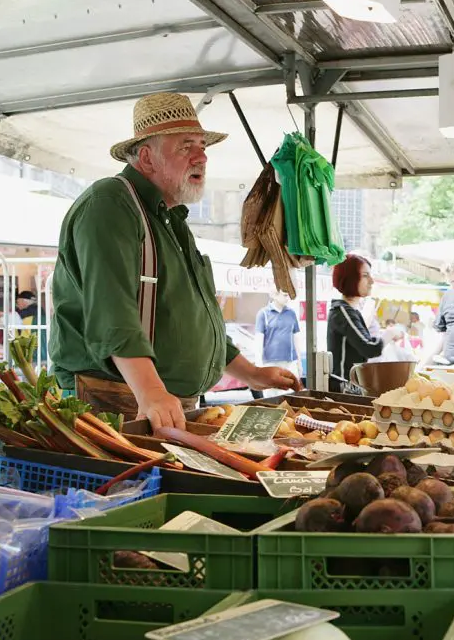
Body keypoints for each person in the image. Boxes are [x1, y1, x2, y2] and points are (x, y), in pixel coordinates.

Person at [49, 92, 300, 427]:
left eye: (202, 146)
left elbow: (192, 318)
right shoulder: (109, 204)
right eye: (185, 146)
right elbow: (112, 314)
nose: (202, 157)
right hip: (116, 404)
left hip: (161, 406)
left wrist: (252, 374)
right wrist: (151, 390)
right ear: (147, 158)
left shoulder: (172, 222)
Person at [327, 254, 385, 392]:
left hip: (353, 387)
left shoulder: (350, 311)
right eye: (365, 275)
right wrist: (391, 334)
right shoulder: (342, 311)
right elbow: (370, 348)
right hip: (344, 388)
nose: (371, 281)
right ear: (351, 279)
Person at [255, 290, 302, 397]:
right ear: (274, 295)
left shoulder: (291, 313)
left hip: (289, 363)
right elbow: (258, 340)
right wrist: (258, 366)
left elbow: (296, 338)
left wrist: (299, 363)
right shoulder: (263, 314)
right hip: (269, 363)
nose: (288, 298)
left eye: (288, 295)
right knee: (271, 397)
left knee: (292, 396)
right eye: (285, 295)